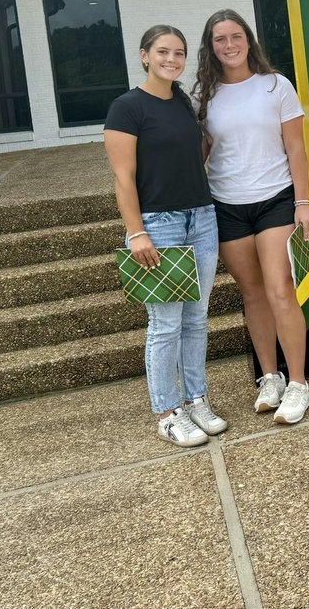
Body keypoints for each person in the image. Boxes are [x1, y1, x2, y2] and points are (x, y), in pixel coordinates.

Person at [103, 25, 227, 447]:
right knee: (165, 323)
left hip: (202, 217)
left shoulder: (181, 101)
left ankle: (196, 400)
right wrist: (135, 232)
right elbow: (123, 177)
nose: (171, 59)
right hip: (159, 224)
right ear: (144, 55)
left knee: (196, 319)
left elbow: (197, 150)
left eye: (178, 53)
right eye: (162, 52)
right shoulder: (127, 107)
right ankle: (168, 412)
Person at [194, 9, 309, 425]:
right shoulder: (204, 96)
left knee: (281, 290)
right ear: (210, 48)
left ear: (249, 40)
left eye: (236, 36)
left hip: (275, 200)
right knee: (252, 294)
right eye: (219, 39)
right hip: (226, 205)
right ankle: (270, 377)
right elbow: (200, 157)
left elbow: (296, 149)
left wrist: (303, 202)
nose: (229, 45)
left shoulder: (275, 86)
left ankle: (298, 384)